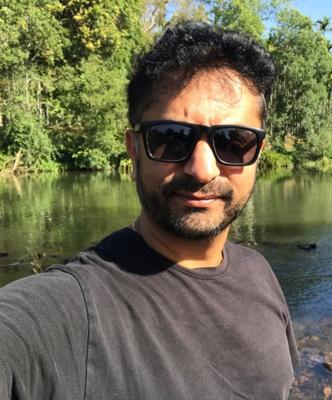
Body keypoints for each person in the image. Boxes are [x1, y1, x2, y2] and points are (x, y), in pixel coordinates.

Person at [0, 21, 298, 399]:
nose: (202, 169)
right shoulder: (73, 309)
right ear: (134, 148)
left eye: (233, 141)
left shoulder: (259, 274)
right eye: (171, 137)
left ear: (258, 153)